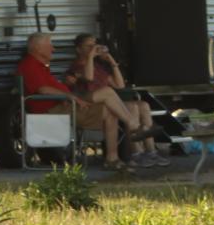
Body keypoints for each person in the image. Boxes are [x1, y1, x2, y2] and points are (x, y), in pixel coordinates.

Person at [17, 33, 154, 168]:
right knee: (107, 92)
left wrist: (110, 60)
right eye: (50, 45)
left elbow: (120, 85)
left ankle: (112, 159)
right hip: (55, 108)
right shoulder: (30, 65)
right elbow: (44, 90)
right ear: (37, 48)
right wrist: (71, 96)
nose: (53, 49)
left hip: (67, 104)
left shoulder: (41, 66)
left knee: (111, 111)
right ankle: (134, 125)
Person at [64, 34, 168, 169]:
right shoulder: (76, 67)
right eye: (89, 46)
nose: (93, 48)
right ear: (78, 49)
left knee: (143, 105)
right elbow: (88, 77)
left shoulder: (98, 67)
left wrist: (110, 60)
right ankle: (137, 153)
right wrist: (91, 56)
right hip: (92, 106)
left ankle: (151, 151)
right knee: (132, 108)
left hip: (109, 103)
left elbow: (119, 85)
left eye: (95, 45)